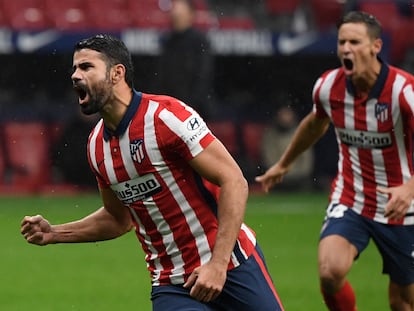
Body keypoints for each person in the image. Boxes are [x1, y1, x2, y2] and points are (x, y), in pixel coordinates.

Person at [20, 34, 284, 311]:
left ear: (116, 73)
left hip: (232, 263)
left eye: (86, 67)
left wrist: (217, 265)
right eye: (74, 68)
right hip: (173, 285)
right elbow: (118, 218)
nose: (75, 75)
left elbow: (234, 180)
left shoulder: (166, 116)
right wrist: (55, 233)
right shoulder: (96, 146)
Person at [256, 11, 414, 311]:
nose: (346, 49)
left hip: (402, 205)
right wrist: (285, 163)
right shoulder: (329, 87)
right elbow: (316, 123)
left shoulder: (402, 91)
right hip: (352, 198)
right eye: (342, 42)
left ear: (375, 47)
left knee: (403, 302)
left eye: (355, 41)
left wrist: (408, 188)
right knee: (330, 272)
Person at [153, 0, 216, 120]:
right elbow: (161, 76)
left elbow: (203, 76)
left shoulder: (199, 41)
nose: (176, 15)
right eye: (174, 12)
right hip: (169, 107)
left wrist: (189, 107)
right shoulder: (168, 40)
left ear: (191, 15)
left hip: (195, 109)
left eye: (181, 12)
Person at [260, 105, 313, 191]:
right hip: (277, 178)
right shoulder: (270, 135)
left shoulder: (301, 134)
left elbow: (307, 159)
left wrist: (298, 174)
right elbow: (269, 157)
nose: (285, 118)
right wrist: (278, 171)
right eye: (283, 114)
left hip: (299, 178)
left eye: (288, 114)